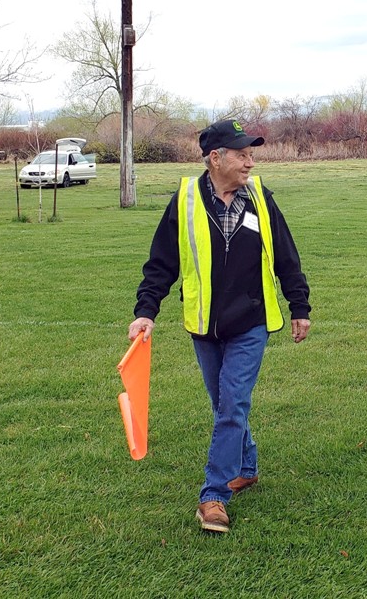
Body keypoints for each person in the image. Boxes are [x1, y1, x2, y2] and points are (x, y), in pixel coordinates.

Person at [128, 119, 311, 533]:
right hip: (204, 326)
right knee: (224, 404)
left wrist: (299, 305)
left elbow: (286, 254)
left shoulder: (260, 198)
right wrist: (146, 311)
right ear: (216, 158)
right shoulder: (186, 199)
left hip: (252, 323)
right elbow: (161, 264)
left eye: (251, 154)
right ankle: (246, 465)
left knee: (232, 404)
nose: (250, 161)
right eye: (242, 154)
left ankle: (214, 495)